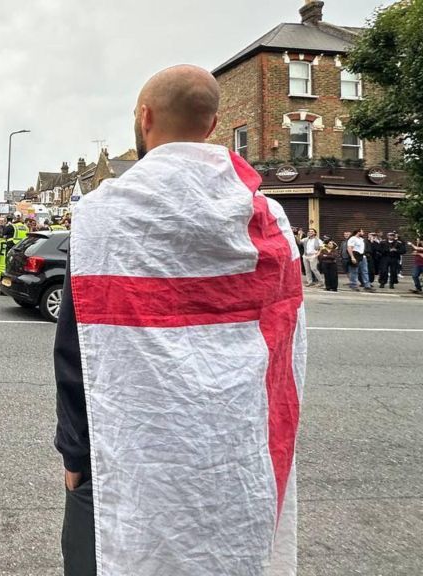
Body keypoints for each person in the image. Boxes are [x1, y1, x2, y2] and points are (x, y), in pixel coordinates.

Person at [56, 65, 305, 576]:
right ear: (213, 126)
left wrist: (75, 455)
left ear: (144, 118)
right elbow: (283, 345)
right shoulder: (270, 220)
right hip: (234, 455)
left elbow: (79, 352)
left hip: (129, 453)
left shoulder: (105, 214)